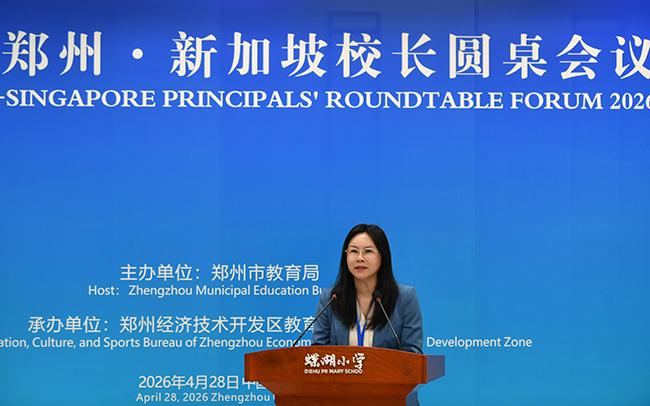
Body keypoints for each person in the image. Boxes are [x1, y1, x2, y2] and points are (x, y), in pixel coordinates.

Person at [312, 224, 423, 405]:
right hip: (340, 398)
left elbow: (413, 354)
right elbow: (318, 352)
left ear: (382, 256)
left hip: (390, 398)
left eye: (368, 251)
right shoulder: (331, 297)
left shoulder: (405, 297)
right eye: (353, 251)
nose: (360, 258)